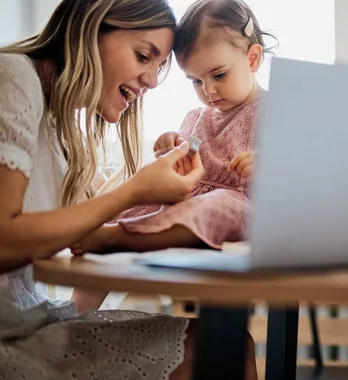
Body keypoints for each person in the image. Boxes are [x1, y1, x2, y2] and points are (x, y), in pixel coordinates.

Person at [0, 0, 259, 380]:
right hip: (13, 342)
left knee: (230, 351)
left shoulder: (53, 125)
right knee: (226, 353)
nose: (154, 81)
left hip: (28, 324)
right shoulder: (14, 77)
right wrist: (136, 191)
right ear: (91, 26)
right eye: (143, 55)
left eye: (159, 66)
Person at [71, 0, 276, 255]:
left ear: (252, 59)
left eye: (219, 75)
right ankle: (101, 246)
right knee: (140, 208)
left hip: (239, 208)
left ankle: (115, 238)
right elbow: (185, 164)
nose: (208, 90)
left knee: (217, 206)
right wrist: (173, 147)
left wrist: (271, 167)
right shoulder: (197, 118)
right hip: (188, 201)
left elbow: (306, 176)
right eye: (195, 81)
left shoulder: (274, 112)